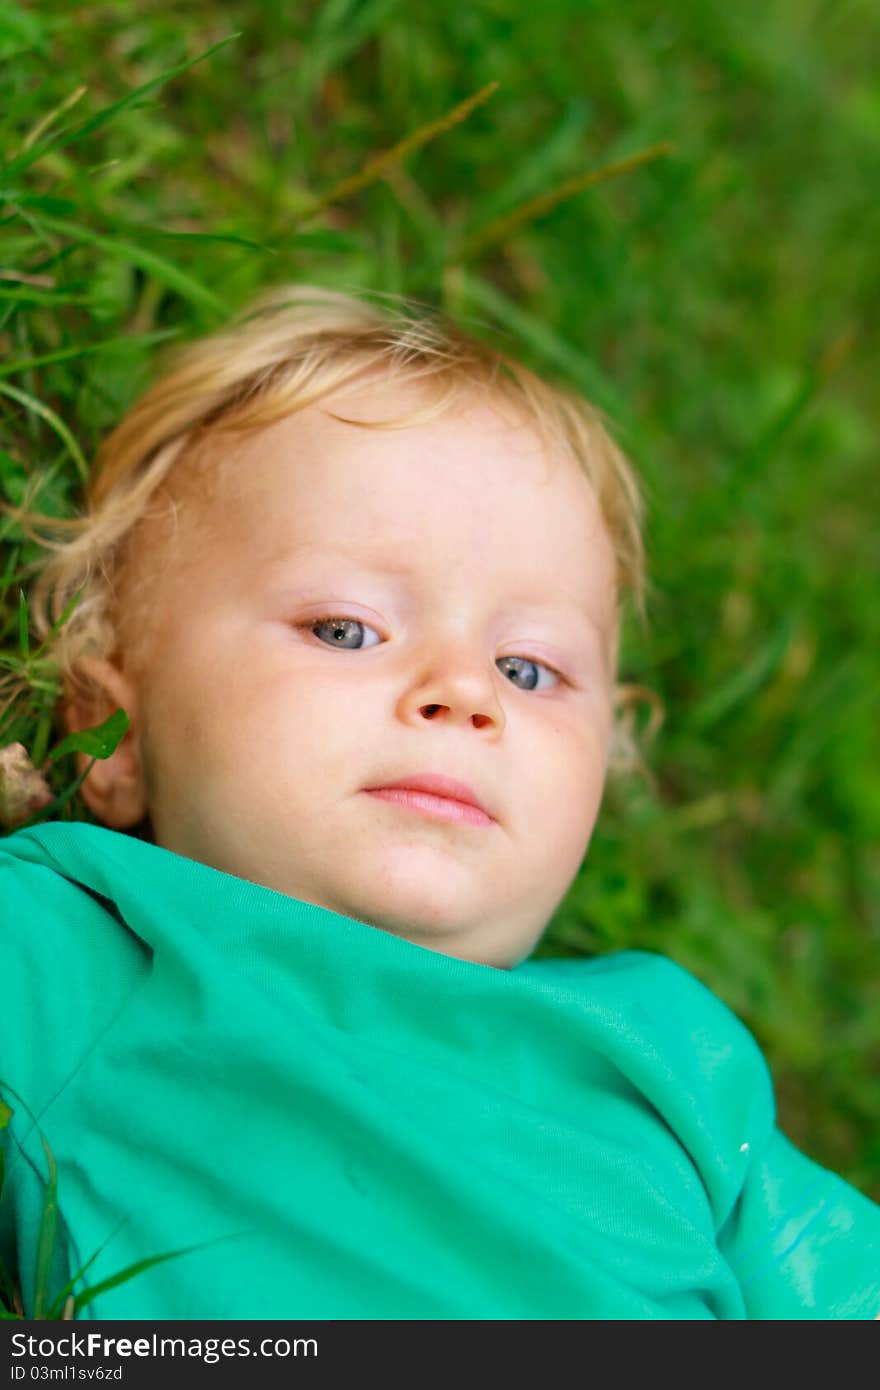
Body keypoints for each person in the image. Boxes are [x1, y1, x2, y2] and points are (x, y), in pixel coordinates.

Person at [1, 284, 877, 1320]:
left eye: (528, 667)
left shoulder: (667, 1051)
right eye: (345, 629)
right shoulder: (78, 955)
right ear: (118, 735)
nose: (464, 692)